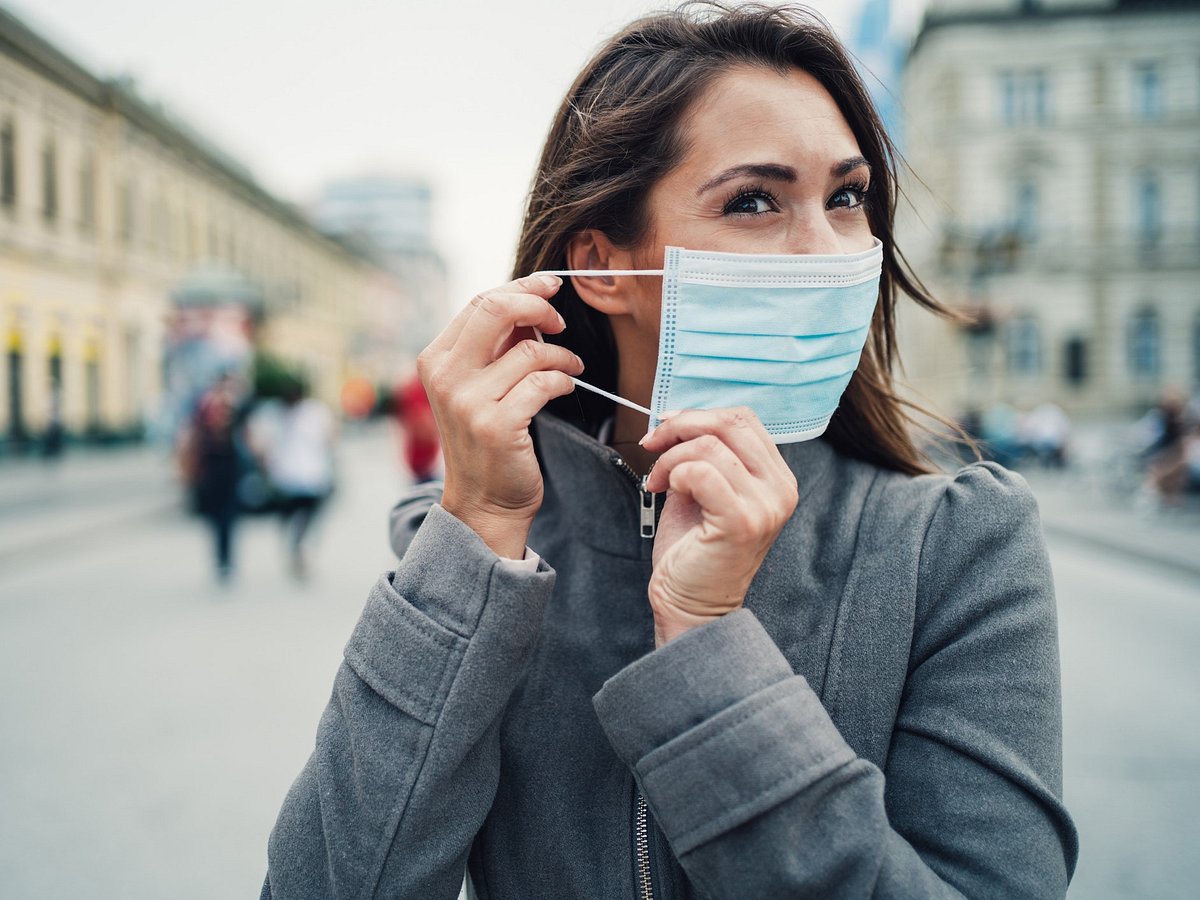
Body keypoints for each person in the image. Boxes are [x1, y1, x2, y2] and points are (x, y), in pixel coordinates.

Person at [263, 5, 1077, 897]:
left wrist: (709, 643)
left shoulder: (959, 545)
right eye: (756, 201)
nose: (827, 251)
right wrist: (476, 530)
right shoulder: (464, 546)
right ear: (604, 267)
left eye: (846, 196)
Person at [261, 377, 337, 579]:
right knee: (303, 518)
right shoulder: (314, 412)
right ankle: (298, 549)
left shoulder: (276, 413)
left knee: (299, 518)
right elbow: (330, 438)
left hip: (297, 476)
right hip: (303, 476)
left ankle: (297, 549)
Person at [179, 373, 248, 583]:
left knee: (227, 519)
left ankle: (224, 560)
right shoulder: (204, 410)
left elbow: (248, 438)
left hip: (228, 473)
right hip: (210, 473)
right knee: (216, 519)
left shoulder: (235, 411)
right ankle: (222, 559)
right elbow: (189, 441)